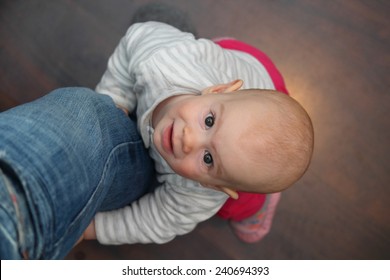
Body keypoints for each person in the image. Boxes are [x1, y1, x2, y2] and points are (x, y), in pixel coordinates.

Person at [80, 17, 314, 245]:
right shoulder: (166, 62)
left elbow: (158, 219)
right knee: (213, 49)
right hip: (248, 63)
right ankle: (222, 50)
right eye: (209, 121)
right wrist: (115, 98)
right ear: (218, 90)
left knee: (239, 204)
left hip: (251, 92)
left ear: (215, 186)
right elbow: (135, 40)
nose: (188, 140)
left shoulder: (200, 195)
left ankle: (259, 204)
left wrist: (96, 228)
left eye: (208, 158)